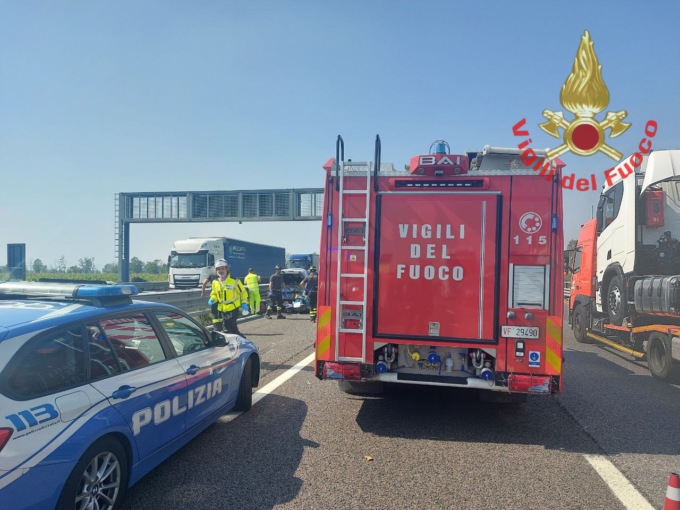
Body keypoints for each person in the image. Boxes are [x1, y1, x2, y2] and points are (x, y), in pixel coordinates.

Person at [208, 259, 249, 335]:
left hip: (232, 309)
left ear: (227, 269)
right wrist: (212, 299)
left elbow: (243, 294)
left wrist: (244, 303)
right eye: (218, 269)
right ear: (216, 270)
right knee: (233, 329)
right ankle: (241, 340)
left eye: (223, 268)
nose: (221, 271)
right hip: (222, 310)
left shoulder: (235, 281)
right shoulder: (215, 282)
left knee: (227, 329)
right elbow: (214, 294)